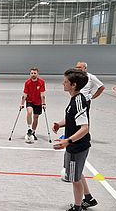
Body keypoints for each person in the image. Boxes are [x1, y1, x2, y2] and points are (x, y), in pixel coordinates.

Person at [52, 69, 98, 211]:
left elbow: (84, 128)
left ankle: (77, 207)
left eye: (65, 81)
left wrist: (68, 141)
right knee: (77, 173)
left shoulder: (79, 102)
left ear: (73, 85)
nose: (63, 83)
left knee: (74, 178)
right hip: (76, 146)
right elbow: (72, 119)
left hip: (77, 147)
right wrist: (60, 124)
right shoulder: (74, 99)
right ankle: (88, 198)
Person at [20, 67, 46, 141]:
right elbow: (24, 94)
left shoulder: (41, 82)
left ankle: (33, 132)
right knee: (29, 112)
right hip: (30, 101)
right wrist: (22, 103)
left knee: (36, 117)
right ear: (30, 74)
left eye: (35, 73)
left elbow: (42, 95)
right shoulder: (27, 83)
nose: (33, 75)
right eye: (32, 73)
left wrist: (43, 103)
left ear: (37, 74)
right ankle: (29, 129)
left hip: (38, 102)